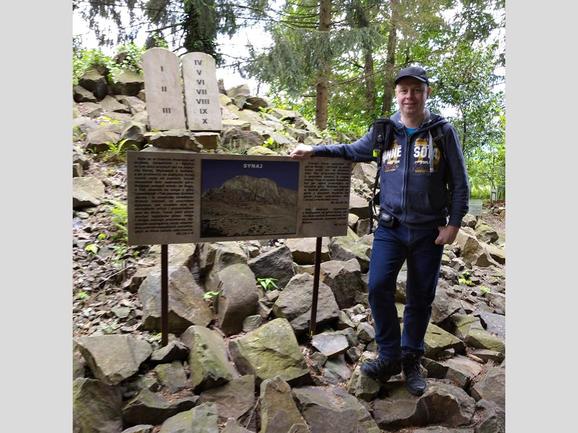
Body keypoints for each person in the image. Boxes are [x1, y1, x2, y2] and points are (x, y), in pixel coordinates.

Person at [289, 66, 469, 396]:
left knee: (420, 297)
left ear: (426, 93)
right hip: (391, 228)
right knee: (378, 287)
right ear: (397, 94)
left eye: (416, 90)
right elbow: (351, 151)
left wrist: (454, 225)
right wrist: (315, 150)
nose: (410, 96)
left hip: (429, 231)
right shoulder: (384, 131)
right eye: (404, 90)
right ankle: (389, 355)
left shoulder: (442, 132)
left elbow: (460, 182)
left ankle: (411, 357)